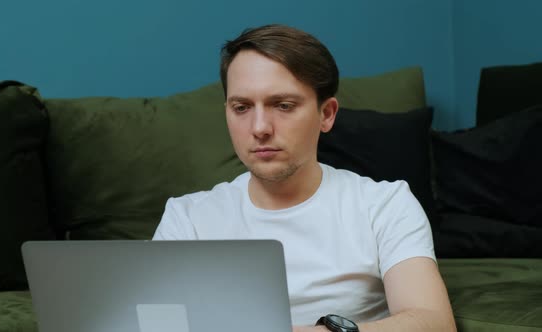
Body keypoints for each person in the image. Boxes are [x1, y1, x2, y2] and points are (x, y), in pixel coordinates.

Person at [153, 24, 456, 332]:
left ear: (326, 114)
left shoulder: (385, 205)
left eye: (283, 105)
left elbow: (434, 323)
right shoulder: (186, 219)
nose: (260, 128)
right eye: (242, 107)